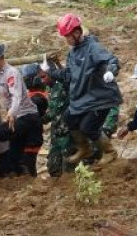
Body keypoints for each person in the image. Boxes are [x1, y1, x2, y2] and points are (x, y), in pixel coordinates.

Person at [40, 14, 122, 166]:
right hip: (83, 97)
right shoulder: (73, 52)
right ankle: (84, 148)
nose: (66, 40)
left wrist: (111, 71)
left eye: (68, 37)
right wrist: (49, 71)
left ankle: (110, 152)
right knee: (69, 117)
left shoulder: (93, 48)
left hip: (99, 98)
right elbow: (68, 74)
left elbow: (112, 60)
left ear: (77, 33)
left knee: (88, 127)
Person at [0, 42, 43, 177]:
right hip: (17, 118)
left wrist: (11, 112)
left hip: (26, 117)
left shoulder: (11, 73)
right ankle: (24, 179)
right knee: (15, 160)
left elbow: (16, 95)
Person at [39, 57, 75, 177]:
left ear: (51, 74)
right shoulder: (50, 88)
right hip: (56, 132)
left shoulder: (63, 86)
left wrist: (39, 120)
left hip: (67, 132)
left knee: (69, 168)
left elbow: (68, 78)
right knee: (53, 167)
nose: (42, 81)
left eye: (44, 77)